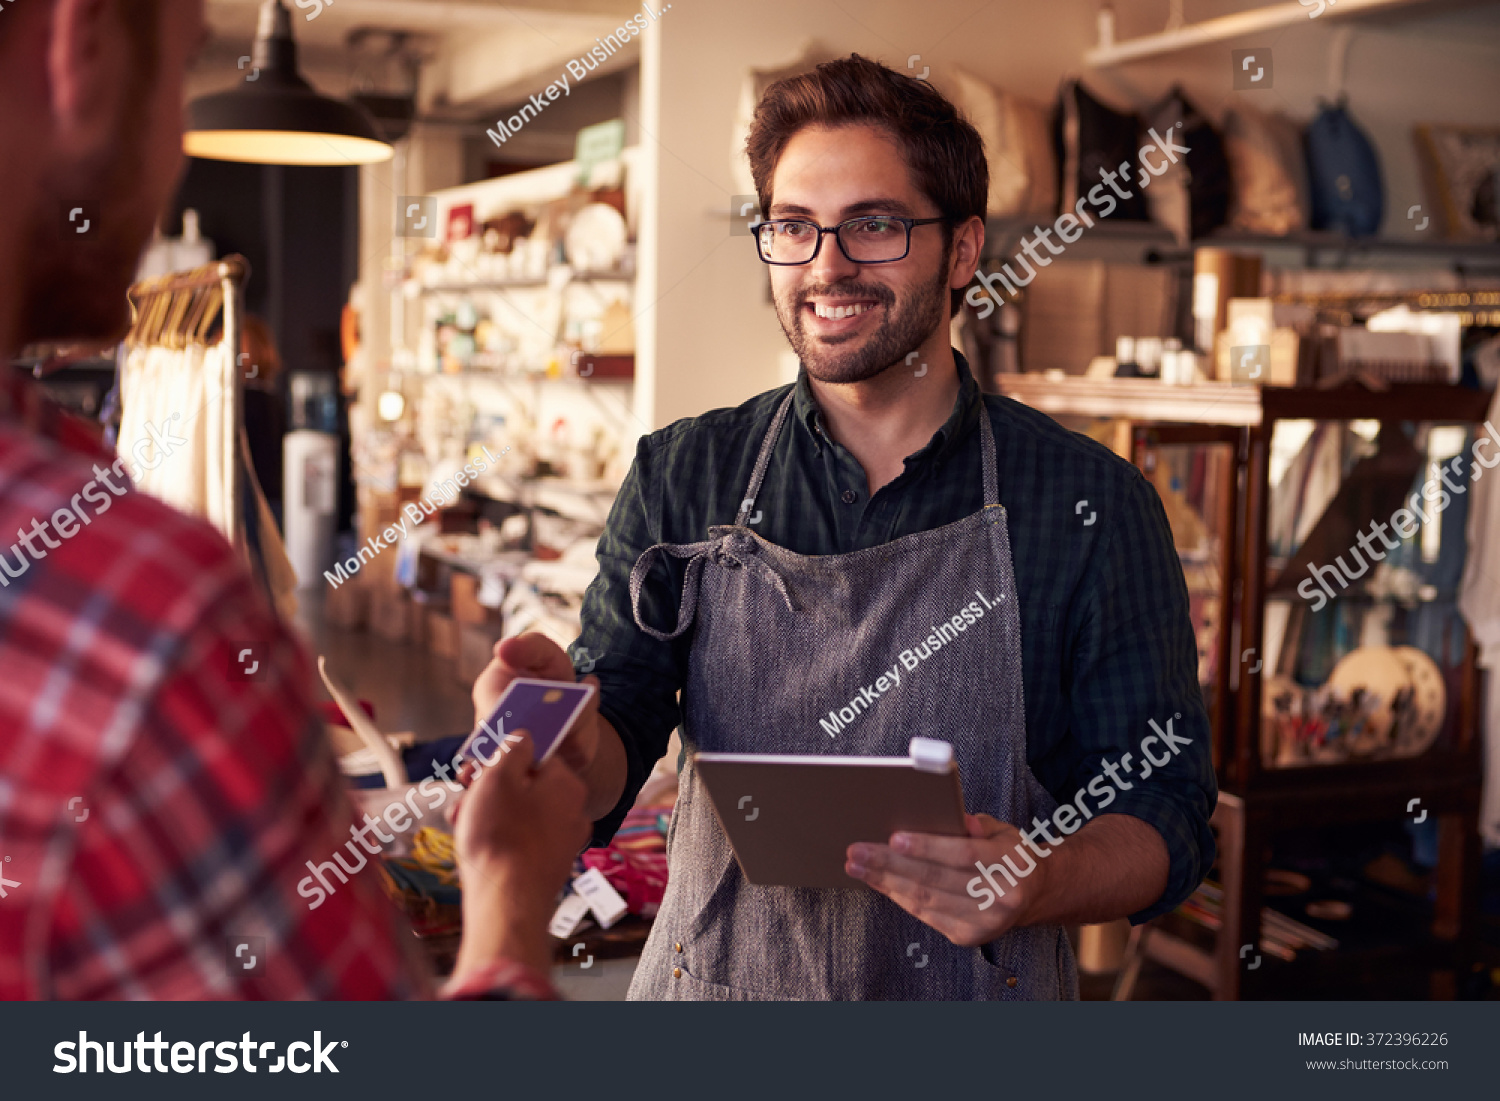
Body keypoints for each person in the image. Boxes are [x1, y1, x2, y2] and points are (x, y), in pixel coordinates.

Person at [492, 54, 1218, 1000]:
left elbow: (1167, 814)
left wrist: (1039, 878)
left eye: (874, 225)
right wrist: (562, 736)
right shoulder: (684, 473)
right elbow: (616, 740)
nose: (826, 266)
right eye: (794, 227)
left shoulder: (1091, 505)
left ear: (963, 251)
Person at [0, 0, 587, 1000]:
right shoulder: (136, 617)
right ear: (80, 46)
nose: (172, 155)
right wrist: (508, 896)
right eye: (182, 73)